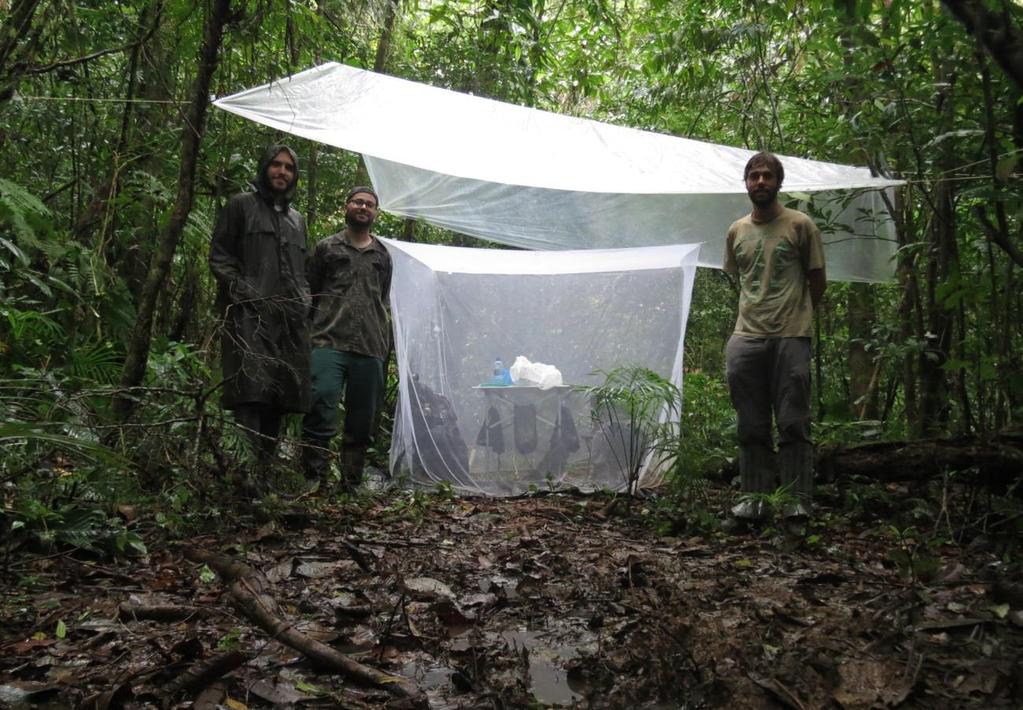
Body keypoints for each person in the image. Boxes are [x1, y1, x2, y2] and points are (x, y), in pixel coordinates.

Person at [723, 151, 826, 529]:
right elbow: (741, 279)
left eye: (768, 176)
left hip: (791, 335)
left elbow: (817, 279)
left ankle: (796, 504)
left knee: (793, 421)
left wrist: (798, 315)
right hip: (747, 335)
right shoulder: (737, 230)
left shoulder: (800, 225)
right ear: (746, 183)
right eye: (754, 176)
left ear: (779, 182)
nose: (761, 182)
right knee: (750, 422)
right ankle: (754, 501)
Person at [209, 144, 311, 495]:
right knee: (250, 394)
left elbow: (302, 271)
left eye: (288, 168)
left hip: (290, 322)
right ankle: (245, 478)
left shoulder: (298, 220)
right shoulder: (241, 206)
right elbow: (220, 257)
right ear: (264, 168)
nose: (282, 172)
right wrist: (244, 292)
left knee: (281, 396)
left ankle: (265, 478)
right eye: (276, 165)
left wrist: (304, 301)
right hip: (249, 317)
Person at [301, 186, 392, 492]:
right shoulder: (327, 248)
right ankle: (315, 480)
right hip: (328, 340)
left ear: (376, 212)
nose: (363, 207)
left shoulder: (382, 255)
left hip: (369, 346)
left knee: (361, 420)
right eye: (358, 202)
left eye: (369, 204)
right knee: (320, 406)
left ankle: (350, 484)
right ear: (347, 207)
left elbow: (383, 297)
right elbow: (310, 290)